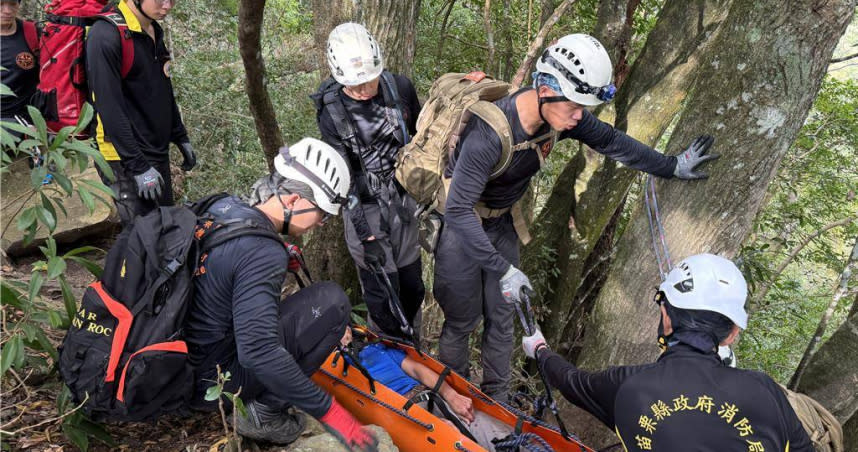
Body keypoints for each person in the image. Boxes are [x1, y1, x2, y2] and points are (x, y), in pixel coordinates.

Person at [434, 33, 719, 402]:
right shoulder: (489, 133)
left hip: (502, 222)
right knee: (461, 318)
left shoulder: (561, 116)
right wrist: (502, 269)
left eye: (583, 107)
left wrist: (672, 167)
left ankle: (497, 402)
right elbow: (457, 209)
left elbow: (614, 143)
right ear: (545, 89)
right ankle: (454, 397)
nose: (579, 116)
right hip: (463, 226)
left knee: (504, 320)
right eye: (574, 105)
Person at [184, 138, 377, 451]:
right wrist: (333, 413)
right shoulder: (261, 252)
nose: (320, 223)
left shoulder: (222, 206)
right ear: (292, 200)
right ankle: (264, 413)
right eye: (322, 214)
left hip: (184, 356)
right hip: (210, 381)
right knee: (331, 303)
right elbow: (257, 352)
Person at [521, 253, 813, 451]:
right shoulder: (765, 392)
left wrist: (540, 349)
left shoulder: (626, 386)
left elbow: (571, 382)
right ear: (732, 333)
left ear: (667, 317)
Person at [315, 22, 425, 340]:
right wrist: (366, 237)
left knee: (412, 286)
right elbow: (343, 174)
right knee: (382, 294)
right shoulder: (332, 110)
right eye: (355, 85)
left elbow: (420, 138)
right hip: (363, 206)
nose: (364, 90)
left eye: (368, 81)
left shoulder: (399, 88)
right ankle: (390, 356)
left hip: (403, 200)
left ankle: (415, 350)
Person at [86, 0, 196, 225]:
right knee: (140, 238)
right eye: (160, 0)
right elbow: (109, 107)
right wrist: (138, 166)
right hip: (124, 157)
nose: (167, 6)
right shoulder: (105, 34)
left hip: (156, 149)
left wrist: (179, 135)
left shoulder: (153, 29)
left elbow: (162, 88)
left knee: (163, 230)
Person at [1, 0, 39, 140]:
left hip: (27, 121)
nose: (7, 10)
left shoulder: (32, 32)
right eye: (0, 4)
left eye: (12, 4)